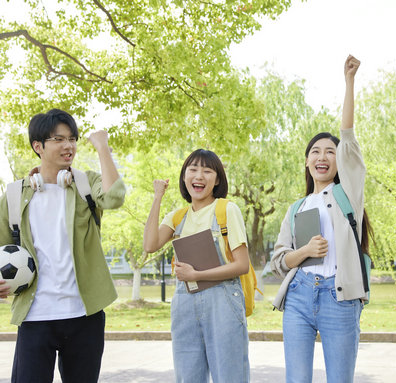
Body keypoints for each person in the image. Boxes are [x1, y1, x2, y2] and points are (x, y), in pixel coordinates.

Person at [0, 109, 126, 382]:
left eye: (72, 139)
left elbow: (115, 197)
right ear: (38, 146)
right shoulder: (13, 195)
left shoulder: (86, 184)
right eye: (58, 139)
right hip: (35, 315)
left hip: (84, 315)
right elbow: (1, 249)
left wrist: (102, 147)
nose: (68, 146)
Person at [270, 55, 372, 383]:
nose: (322, 156)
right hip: (298, 296)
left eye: (330, 151)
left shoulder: (349, 195)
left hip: (338, 298)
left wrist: (349, 82)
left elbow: (348, 136)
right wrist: (305, 252)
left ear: (340, 161)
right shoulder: (296, 207)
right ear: (306, 162)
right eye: (315, 151)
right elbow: (279, 261)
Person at [143, 149, 250, 383]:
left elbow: (242, 265)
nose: (198, 175)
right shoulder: (177, 217)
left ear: (217, 179)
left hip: (222, 301)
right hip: (185, 303)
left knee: (229, 376)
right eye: (192, 169)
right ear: (184, 177)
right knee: (188, 377)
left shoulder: (226, 209)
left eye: (207, 170)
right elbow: (150, 244)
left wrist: (197, 274)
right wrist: (157, 197)